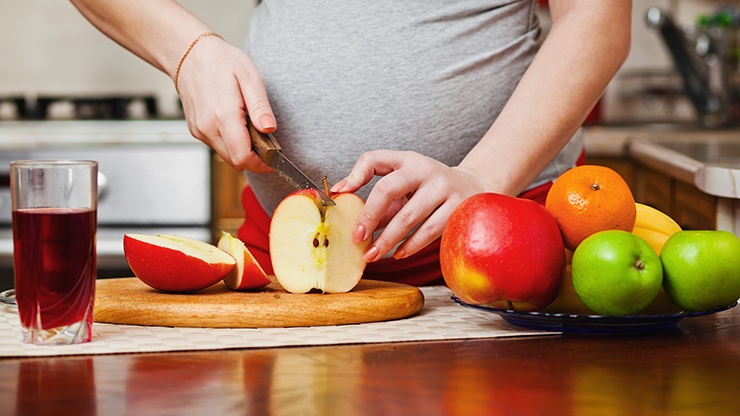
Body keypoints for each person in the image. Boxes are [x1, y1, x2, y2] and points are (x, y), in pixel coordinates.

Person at [70, 0, 631, 286]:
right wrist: (185, 50)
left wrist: (482, 179)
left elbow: (597, 14)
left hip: (507, 257)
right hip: (284, 271)